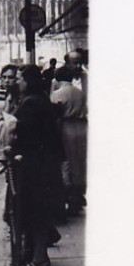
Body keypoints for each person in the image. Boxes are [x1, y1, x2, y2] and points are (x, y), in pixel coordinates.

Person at [11, 64, 65, 266]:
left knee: (35, 212)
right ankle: (33, 254)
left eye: (20, 78)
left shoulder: (32, 103)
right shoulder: (39, 99)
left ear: (29, 81)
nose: (17, 82)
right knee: (36, 211)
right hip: (43, 164)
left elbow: (27, 134)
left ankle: (40, 258)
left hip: (35, 166)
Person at [50, 65, 87, 216]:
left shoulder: (57, 94)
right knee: (80, 163)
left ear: (57, 79)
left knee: (67, 164)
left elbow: (54, 115)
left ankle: (69, 197)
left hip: (66, 128)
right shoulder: (80, 93)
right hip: (82, 127)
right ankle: (79, 196)